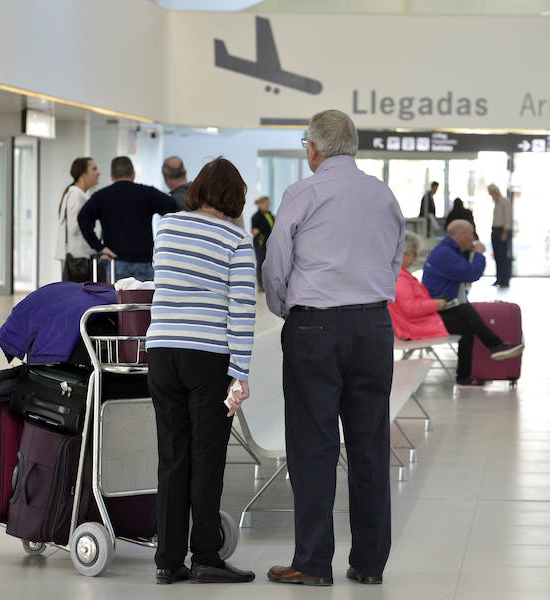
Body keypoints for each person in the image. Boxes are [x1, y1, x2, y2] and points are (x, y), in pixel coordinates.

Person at [263, 109, 404, 587]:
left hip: (315, 330)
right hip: (373, 327)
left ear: (313, 149)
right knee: (369, 445)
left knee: (313, 445)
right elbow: (394, 257)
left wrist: (288, 310)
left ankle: (313, 562)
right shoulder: (382, 193)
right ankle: (368, 563)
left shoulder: (302, 192)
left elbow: (276, 261)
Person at [145, 157, 256, 585]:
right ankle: (206, 556)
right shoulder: (236, 240)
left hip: (162, 351)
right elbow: (241, 310)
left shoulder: (168, 227)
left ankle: (168, 561)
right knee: (207, 457)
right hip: (206, 356)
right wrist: (240, 372)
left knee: (172, 456)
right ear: (234, 197)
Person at [422, 220, 524, 387]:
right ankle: (496, 346)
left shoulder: (448, 251)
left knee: (466, 322)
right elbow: (471, 273)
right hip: (436, 309)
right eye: (470, 234)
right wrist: (478, 254)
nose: (473, 238)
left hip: (444, 305)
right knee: (466, 313)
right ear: (459, 235)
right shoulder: (445, 254)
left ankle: (466, 375)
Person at [78, 156, 178, 281]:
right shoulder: (147, 193)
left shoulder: (102, 196)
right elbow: (173, 206)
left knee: (118, 299)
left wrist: (99, 247)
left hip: (115, 261)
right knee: (144, 300)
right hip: (144, 261)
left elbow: (82, 218)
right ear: (133, 174)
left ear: (112, 176)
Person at [56, 157, 100, 282]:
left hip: (80, 259)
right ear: (83, 175)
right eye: (94, 169)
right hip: (79, 261)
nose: (98, 173)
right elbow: (74, 227)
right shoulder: (76, 195)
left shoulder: (79, 194)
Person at [488, 183, 513, 287]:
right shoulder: (496, 203)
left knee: (504, 257)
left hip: (503, 231)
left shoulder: (505, 202)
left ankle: (505, 279)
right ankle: (499, 278)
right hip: (495, 230)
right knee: (497, 256)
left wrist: (505, 233)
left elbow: (508, 218)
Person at [250, 195, 274, 289]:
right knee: (261, 263)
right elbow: (254, 231)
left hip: (270, 243)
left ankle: (268, 284)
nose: (268, 206)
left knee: (270, 264)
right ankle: (260, 284)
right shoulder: (255, 217)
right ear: (261, 205)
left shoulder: (270, 215)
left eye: (269, 204)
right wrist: (261, 230)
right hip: (260, 244)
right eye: (267, 204)